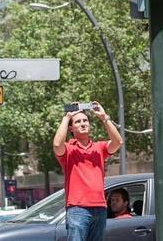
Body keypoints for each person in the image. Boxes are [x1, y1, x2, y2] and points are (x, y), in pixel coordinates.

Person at [53, 101, 122, 241]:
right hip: (78, 209)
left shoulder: (99, 148)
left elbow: (118, 142)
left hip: (100, 208)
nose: (83, 123)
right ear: (71, 128)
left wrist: (104, 117)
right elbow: (56, 144)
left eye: (85, 120)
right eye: (78, 122)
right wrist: (66, 118)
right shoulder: (69, 150)